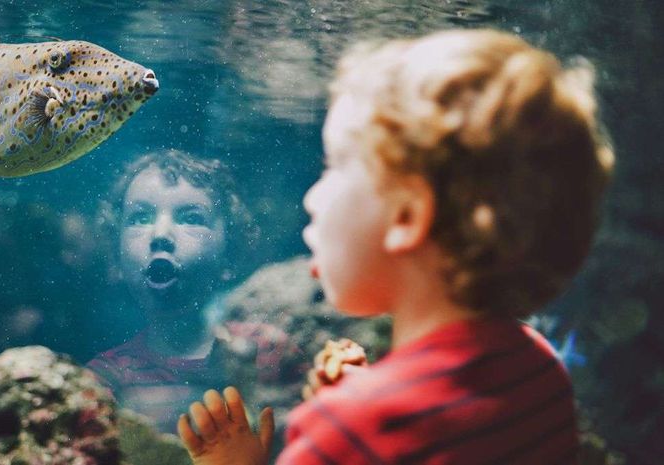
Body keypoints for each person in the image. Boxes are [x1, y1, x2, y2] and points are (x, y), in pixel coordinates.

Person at [176, 28, 613, 464]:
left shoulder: (348, 426)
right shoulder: (539, 369)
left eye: (333, 166)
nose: (311, 198)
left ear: (407, 216)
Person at [87, 149, 258, 433]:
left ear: (230, 251)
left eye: (191, 218)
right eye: (141, 218)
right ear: (115, 258)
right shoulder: (104, 380)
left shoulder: (266, 353)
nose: (160, 234)